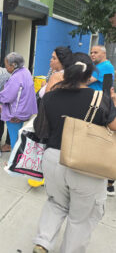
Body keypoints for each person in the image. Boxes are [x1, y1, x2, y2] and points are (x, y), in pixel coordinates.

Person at [33, 53, 116, 253]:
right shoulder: (100, 98)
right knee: (82, 217)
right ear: (89, 75)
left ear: (66, 71)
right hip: (86, 163)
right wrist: (113, 99)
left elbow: (40, 129)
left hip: (53, 158)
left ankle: (43, 243)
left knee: (56, 203)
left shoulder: (50, 96)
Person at [87, 45, 115, 196]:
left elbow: (86, 82)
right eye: (91, 52)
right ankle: (108, 183)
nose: (92, 54)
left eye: (95, 52)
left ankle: (108, 183)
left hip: (98, 108)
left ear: (104, 53)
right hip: (100, 106)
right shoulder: (103, 66)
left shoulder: (104, 66)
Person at [0, 52, 37, 148]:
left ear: (13, 65)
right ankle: (15, 160)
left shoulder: (16, 77)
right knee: (17, 137)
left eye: (6, 65)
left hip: (15, 113)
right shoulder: (26, 71)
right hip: (24, 110)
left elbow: (7, 97)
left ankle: (13, 162)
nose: (6, 68)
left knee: (14, 139)